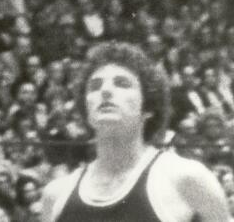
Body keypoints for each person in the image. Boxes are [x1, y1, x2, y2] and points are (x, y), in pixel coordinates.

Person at [41, 42, 229, 222]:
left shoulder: (187, 179)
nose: (105, 91)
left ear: (148, 107)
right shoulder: (56, 195)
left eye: (122, 83)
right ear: (86, 111)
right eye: (95, 86)